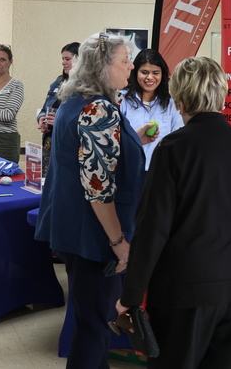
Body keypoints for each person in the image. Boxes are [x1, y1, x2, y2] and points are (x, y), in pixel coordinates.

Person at [118, 57, 231, 369]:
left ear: (179, 100)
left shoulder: (173, 148)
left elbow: (152, 229)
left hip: (187, 289)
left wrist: (130, 297)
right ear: (222, 97)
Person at [35, 33, 153, 369]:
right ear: (103, 66)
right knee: (95, 325)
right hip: (95, 237)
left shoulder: (77, 102)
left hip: (76, 231)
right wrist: (118, 242)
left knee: (92, 321)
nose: (131, 67)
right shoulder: (98, 108)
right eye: (125, 61)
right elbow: (99, 187)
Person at [120, 48, 183, 170]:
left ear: (162, 74)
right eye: (144, 72)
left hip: (160, 172)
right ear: (135, 72)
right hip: (128, 170)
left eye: (155, 73)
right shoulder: (121, 99)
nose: (150, 77)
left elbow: (178, 139)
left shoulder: (172, 103)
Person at [37, 42, 80, 173]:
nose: (63, 63)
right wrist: (41, 119)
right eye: (62, 59)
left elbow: (82, 118)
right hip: (50, 141)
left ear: (80, 60)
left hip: (69, 143)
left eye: (67, 59)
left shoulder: (85, 88)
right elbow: (45, 107)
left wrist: (60, 121)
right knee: (47, 180)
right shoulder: (58, 82)